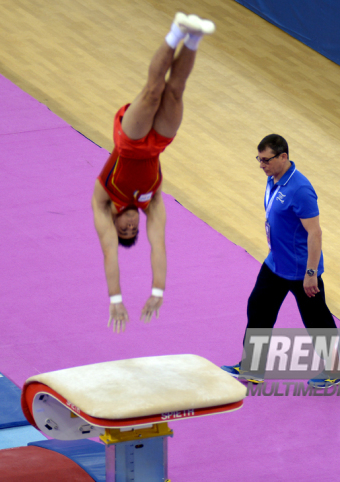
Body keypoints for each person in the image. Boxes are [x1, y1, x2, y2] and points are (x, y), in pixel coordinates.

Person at [92, 13, 215, 333]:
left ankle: (176, 31)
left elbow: (109, 255)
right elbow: (158, 248)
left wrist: (115, 298)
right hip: (158, 143)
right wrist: (157, 291)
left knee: (152, 91)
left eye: (126, 230)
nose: (132, 226)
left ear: (115, 223)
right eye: (134, 231)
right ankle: (194, 37)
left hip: (129, 141)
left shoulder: (103, 202)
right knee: (175, 92)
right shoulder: (154, 204)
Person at [221, 134, 337, 385]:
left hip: (300, 270)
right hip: (276, 263)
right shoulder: (274, 179)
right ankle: (252, 366)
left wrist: (311, 273)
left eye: (266, 160)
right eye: (259, 160)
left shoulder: (301, 189)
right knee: (259, 308)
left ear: (283, 157)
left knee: (316, 320)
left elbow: (314, 233)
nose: (261, 165)